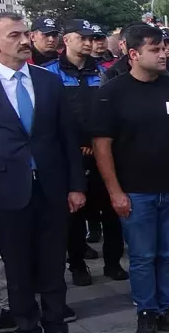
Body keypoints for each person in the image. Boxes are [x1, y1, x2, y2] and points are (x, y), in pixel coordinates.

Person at [0, 12, 93, 333]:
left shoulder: (47, 82)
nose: (22, 41)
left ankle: (57, 332)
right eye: (13, 35)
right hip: (4, 192)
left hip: (51, 189)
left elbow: (67, 138)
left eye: (24, 34)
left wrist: (76, 186)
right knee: (17, 272)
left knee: (53, 266)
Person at [90, 24, 169, 333]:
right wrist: (114, 191)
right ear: (134, 54)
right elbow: (101, 145)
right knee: (141, 256)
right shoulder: (113, 92)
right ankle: (146, 312)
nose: (164, 54)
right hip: (135, 192)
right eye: (155, 49)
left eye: (164, 47)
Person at [41, 19, 128, 286]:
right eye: (83, 38)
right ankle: (77, 264)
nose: (90, 43)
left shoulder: (104, 71)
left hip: (104, 151)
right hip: (70, 155)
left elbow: (112, 112)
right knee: (74, 213)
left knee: (112, 211)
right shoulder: (48, 73)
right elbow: (49, 117)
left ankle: (112, 262)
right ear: (66, 40)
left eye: (92, 38)